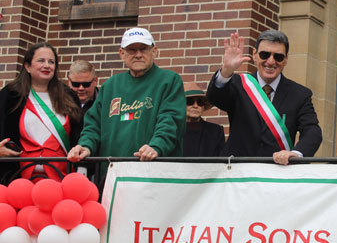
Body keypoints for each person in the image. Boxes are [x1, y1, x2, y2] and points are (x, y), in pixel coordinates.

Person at [67, 27, 186, 176]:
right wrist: (86, 145)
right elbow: (93, 124)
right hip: (112, 175)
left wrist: (157, 146)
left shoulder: (169, 81)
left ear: (154, 51)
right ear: (122, 54)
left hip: (154, 173)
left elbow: (171, 120)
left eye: (143, 49)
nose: (138, 55)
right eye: (131, 50)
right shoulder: (111, 85)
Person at [206, 30, 322, 165]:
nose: (271, 61)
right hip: (238, 173)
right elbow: (214, 98)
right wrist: (226, 71)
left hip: (277, 174)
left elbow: (312, 131)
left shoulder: (300, 94)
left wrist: (296, 153)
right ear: (255, 55)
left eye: (278, 57)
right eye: (264, 55)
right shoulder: (238, 84)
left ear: (286, 59)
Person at [0, 42, 82, 183]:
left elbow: (79, 133)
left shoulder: (69, 95)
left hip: (61, 177)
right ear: (27, 66)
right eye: (41, 60)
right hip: (18, 178)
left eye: (51, 62)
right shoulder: (10, 95)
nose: (47, 66)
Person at [183, 82, 225, 157]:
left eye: (200, 102)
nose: (195, 106)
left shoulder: (216, 131)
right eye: (190, 101)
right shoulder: (173, 130)